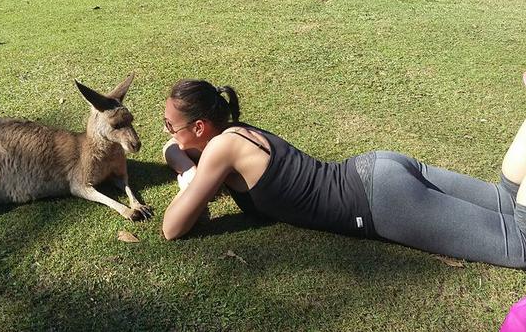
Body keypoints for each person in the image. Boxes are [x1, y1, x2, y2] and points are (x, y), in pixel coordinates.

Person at [161, 78, 526, 269]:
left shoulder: (222, 149)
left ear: (199, 127)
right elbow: (175, 151)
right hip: (377, 168)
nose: (167, 133)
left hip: (380, 203)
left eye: (170, 125)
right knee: (505, 199)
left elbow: (172, 228)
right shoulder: (236, 134)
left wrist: (187, 176)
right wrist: (183, 161)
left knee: (520, 244)